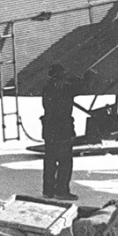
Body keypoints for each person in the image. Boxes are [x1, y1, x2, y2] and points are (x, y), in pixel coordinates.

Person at [41, 64, 85, 200]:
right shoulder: (64, 89)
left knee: (50, 161)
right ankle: (61, 190)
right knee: (65, 162)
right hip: (62, 130)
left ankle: (48, 190)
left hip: (49, 130)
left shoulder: (48, 88)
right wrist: (86, 77)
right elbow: (81, 87)